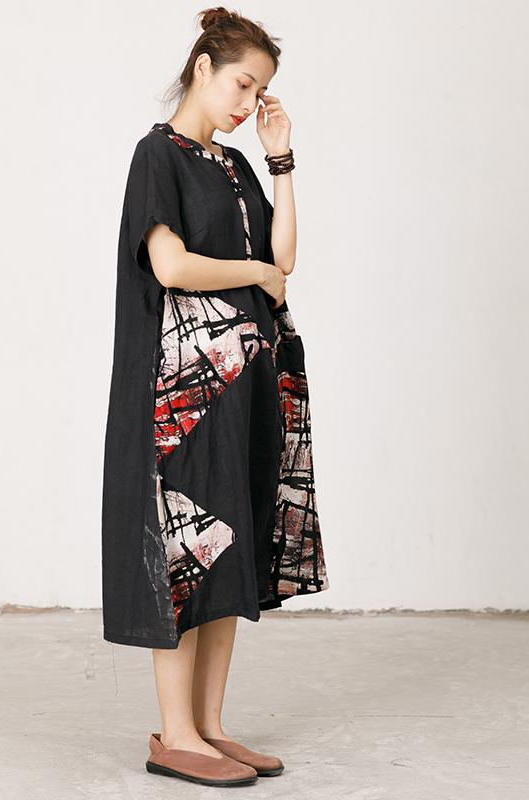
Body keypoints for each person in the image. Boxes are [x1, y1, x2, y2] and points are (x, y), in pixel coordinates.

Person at [101, 6, 330, 787]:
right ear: (203, 67)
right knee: (185, 553)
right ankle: (174, 735)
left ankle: (210, 727)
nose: (247, 101)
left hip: (242, 390)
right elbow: (170, 266)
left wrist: (281, 160)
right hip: (181, 400)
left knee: (229, 553)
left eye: (259, 89)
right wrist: (255, 275)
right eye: (242, 83)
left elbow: (283, 257)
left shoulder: (234, 166)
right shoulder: (156, 156)